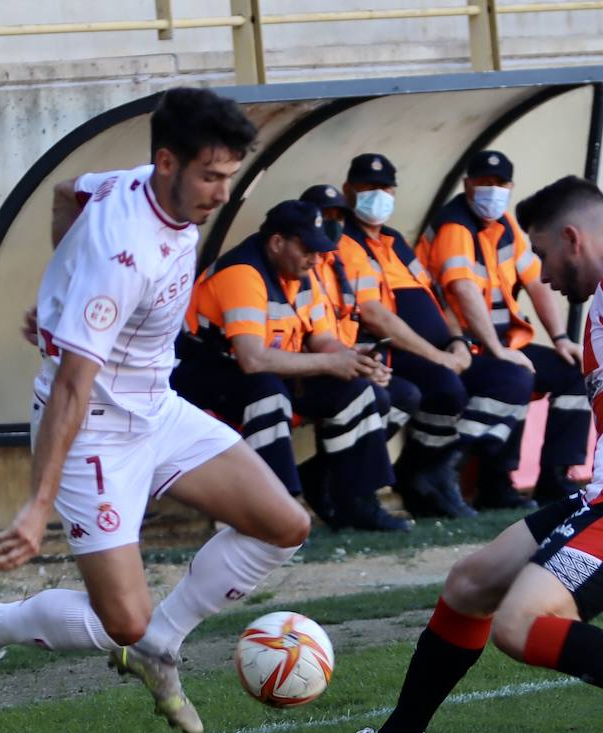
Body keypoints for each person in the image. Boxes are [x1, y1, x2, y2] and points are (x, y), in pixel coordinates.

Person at [317, 176, 603, 733]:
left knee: (520, 623)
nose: (543, 275)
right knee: (472, 582)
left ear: (573, 239)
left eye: (543, 254)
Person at [0, 88, 311, 733]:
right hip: (94, 435)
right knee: (122, 622)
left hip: (156, 409)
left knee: (284, 525)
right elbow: (71, 392)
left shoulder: (133, 182)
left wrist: (62, 289)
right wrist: (36, 506)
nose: (222, 195)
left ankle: (160, 645)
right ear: (168, 162)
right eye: (211, 176)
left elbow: (64, 192)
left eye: (230, 176)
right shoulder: (122, 254)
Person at [173, 199, 409, 532]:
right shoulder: (243, 272)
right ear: (276, 243)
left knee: (356, 391)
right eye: (307, 249)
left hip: (272, 370)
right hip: (207, 375)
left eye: (319, 250)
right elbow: (252, 358)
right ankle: (275, 511)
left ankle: (357, 503)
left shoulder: (301, 273)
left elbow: (322, 340)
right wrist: (329, 362)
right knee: (268, 394)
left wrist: (353, 361)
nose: (315, 258)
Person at [417, 150, 592, 509]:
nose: (492, 190)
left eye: (499, 184)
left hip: (502, 343)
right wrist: (499, 350)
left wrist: (560, 339)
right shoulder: (455, 225)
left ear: (511, 187)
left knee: (575, 371)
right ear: (467, 184)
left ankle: (555, 479)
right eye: (484, 183)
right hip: (462, 347)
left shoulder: (503, 225)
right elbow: (463, 290)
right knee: (514, 375)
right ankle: (459, 473)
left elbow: (537, 281)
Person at [341, 154, 477, 519]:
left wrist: (457, 341)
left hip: (438, 349)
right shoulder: (346, 242)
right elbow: (376, 315)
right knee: (442, 387)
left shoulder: (395, 240)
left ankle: (432, 473)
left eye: (385, 188)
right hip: (386, 350)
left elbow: (435, 296)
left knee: (504, 377)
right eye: (368, 188)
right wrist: (439, 357)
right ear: (348, 191)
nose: (379, 195)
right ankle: (421, 475)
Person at [295, 183, 425, 521]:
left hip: (338, 360)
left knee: (405, 394)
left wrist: (366, 361)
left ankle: (322, 474)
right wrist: (356, 365)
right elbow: (314, 337)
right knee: (370, 397)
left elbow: (351, 321)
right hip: (302, 370)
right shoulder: (299, 265)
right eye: (324, 217)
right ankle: (360, 500)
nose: (332, 223)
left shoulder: (342, 258)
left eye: (338, 215)